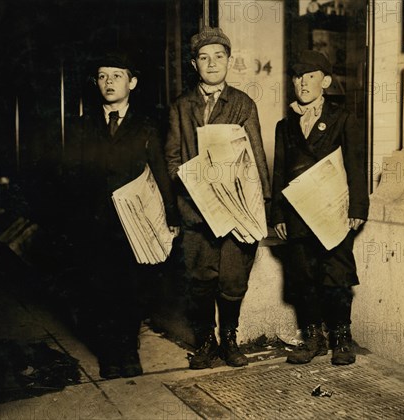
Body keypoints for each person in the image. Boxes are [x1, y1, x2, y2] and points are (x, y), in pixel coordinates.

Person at [61, 52, 180, 379]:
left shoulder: (146, 126)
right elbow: (71, 175)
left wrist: (171, 215)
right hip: (95, 223)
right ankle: (108, 353)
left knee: (132, 288)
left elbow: (158, 171)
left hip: (134, 225)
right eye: (102, 75)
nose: (109, 82)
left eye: (116, 75)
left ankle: (128, 350)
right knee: (98, 288)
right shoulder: (83, 125)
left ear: (132, 82)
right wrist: (73, 222)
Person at [165, 27, 271, 369]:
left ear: (229, 61)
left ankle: (229, 339)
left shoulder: (242, 103)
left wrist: (260, 207)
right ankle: (206, 341)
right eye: (204, 57)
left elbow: (255, 158)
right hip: (196, 212)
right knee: (200, 280)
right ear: (194, 64)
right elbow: (171, 157)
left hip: (236, 213)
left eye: (219, 56)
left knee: (232, 280)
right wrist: (188, 185)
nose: (212, 64)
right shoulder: (182, 106)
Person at [270, 50, 369, 365]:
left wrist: (357, 207)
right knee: (303, 275)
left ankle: (341, 337)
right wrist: (278, 214)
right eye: (298, 76)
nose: (302, 83)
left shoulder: (343, 119)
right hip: (298, 213)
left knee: (335, 273)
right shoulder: (284, 126)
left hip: (333, 212)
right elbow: (279, 175)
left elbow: (355, 166)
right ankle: (313, 337)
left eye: (311, 76)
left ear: (325, 81)